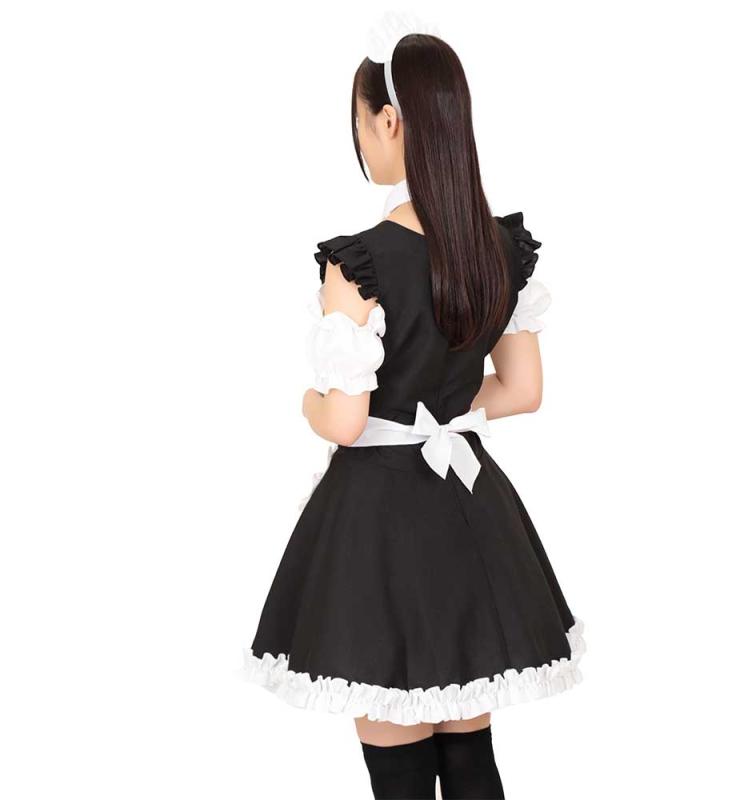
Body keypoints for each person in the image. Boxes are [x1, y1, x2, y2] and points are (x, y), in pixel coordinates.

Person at [242, 29, 586, 800]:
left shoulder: (359, 261)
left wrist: (308, 403)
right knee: (470, 757)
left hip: (379, 523)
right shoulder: (499, 249)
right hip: (469, 511)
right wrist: (445, 405)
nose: (363, 140)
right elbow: (522, 390)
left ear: (390, 121)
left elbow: (345, 420)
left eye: (361, 124)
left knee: (398, 770)